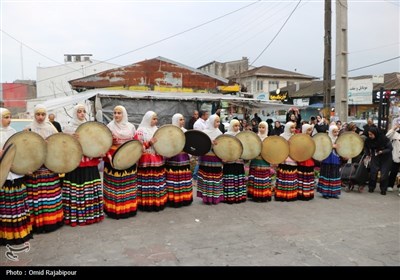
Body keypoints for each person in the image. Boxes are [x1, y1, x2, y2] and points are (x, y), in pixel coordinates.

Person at [24, 104, 64, 233]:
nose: (40, 117)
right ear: (34, 115)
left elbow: (59, 147)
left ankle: (52, 221)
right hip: (35, 168)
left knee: (50, 196)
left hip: (49, 168)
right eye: (38, 114)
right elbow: (24, 150)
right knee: (36, 197)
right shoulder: (28, 130)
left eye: (42, 114)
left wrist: (49, 145)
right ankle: (38, 224)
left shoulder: (51, 129)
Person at [62, 104, 104, 225]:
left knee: (89, 190)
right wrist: (70, 138)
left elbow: (97, 142)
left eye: (83, 111)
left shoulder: (90, 127)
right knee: (77, 190)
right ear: (75, 113)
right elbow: (63, 145)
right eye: (79, 111)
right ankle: (76, 217)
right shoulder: (68, 129)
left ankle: (92, 215)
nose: (82, 114)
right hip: (75, 163)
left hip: (90, 162)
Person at [0, 108, 33, 245]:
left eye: (9, 117)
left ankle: (21, 233)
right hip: (3, 176)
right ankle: (7, 235)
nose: (9, 119)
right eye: (5, 117)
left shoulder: (14, 132)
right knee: (6, 208)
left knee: (18, 206)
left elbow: (20, 152)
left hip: (16, 174)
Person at [103, 105, 138, 219]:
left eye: (119, 113)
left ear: (124, 114)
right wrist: (108, 155)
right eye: (115, 113)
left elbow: (136, 142)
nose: (116, 115)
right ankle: (114, 210)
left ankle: (129, 209)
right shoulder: (109, 127)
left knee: (128, 185)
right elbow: (104, 144)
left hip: (128, 159)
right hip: (113, 160)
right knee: (115, 186)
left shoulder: (131, 127)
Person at [134, 111, 167, 211]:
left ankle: (157, 203)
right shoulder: (140, 131)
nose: (156, 121)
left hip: (157, 160)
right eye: (153, 119)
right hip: (146, 160)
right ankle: (146, 204)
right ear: (148, 119)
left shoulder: (157, 130)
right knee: (146, 183)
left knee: (156, 182)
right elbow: (137, 148)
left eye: (156, 119)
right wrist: (149, 143)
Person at [165, 113, 193, 207]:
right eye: (180, 120)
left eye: (183, 119)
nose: (183, 121)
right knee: (174, 179)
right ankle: (174, 199)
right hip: (173, 158)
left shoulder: (186, 132)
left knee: (183, 179)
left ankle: (185, 198)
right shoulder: (170, 132)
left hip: (183, 158)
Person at [197, 114, 224, 204]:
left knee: (215, 179)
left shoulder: (220, 134)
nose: (218, 123)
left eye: (219, 121)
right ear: (212, 122)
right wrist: (209, 143)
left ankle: (215, 197)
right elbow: (200, 145)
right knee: (207, 178)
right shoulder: (204, 132)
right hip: (206, 159)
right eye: (216, 121)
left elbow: (222, 147)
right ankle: (206, 198)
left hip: (216, 159)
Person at [247, 121, 273, 202]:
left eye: (263, 127)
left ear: (266, 128)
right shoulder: (255, 138)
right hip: (255, 161)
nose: (261, 129)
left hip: (264, 161)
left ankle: (264, 195)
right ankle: (255, 195)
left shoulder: (268, 139)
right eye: (260, 127)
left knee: (263, 178)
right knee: (256, 178)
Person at [222, 119, 247, 204]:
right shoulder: (226, 135)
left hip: (239, 161)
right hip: (229, 161)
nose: (237, 127)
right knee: (229, 178)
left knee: (238, 178)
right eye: (235, 126)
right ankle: (229, 197)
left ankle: (239, 197)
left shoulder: (241, 135)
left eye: (238, 126)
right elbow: (223, 147)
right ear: (231, 126)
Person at [364, 127, 393, 195]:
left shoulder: (384, 139)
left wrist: (382, 151)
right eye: (369, 134)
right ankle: (371, 187)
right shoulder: (368, 140)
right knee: (373, 172)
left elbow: (390, 148)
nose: (370, 136)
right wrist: (367, 154)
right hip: (376, 156)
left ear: (375, 133)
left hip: (386, 158)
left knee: (384, 174)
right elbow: (366, 147)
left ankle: (383, 189)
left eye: (371, 134)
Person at [317, 124, 342, 199]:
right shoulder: (327, 139)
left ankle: (334, 193)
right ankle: (325, 193)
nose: (336, 133)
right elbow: (323, 146)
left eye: (337, 132)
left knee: (334, 175)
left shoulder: (338, 139)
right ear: (330, 132)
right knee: (327, 174)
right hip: (327, 159)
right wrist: (331, 146)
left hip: (335, 159)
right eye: (334, 132)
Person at [275, 122, 298, 201]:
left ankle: (290, 195)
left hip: (292, 159)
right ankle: (281, 195)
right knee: (283, 177)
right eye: (291, 128)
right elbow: (278, 147)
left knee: (290, 177)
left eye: (294, 127)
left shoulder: (295, 137)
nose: (293, 129)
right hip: (283, 159)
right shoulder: (282, 136)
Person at [297, 124, 315, 200]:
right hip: (302, 160)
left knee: (307, 179)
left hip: (309, 160)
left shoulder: (312, 139)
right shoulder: (300, 138)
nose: (310, 132)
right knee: (302, 178)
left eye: (310, 130)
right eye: (308, 130)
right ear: (304, 130)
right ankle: (301, 193)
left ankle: (308, 193)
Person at [386, 122, 400, 192]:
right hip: (396, 156)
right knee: (393, 172)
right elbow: (387, 136)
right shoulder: (395, 133)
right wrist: (394, 128)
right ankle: (390, 185)